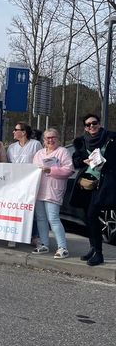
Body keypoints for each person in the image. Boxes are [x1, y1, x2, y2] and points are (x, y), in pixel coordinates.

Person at [70, 113, 116, 266]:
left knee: (92, 214)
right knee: (88, 218)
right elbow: (75, 160)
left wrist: (107, 164)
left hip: (104, 183)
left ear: (99, 123)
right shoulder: (82, 142)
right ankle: (93, 248)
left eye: (94, 123)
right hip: (86, 183)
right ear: (85, 128)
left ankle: (99, 253)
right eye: (88, 125)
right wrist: (83, 160)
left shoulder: (111, 138)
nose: (92, 126)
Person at [31, 128, 74, 259]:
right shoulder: (39, 153)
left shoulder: (63, 152)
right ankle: (44, 244)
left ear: (58, 138)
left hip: (53, 190)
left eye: (53, 137)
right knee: (41, 219)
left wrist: (50, 169)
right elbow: (33, 170)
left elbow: (69, 170)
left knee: (53, 219)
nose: (50, 140)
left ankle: (62, 247)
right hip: (39, 190)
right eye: (48, 138)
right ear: (44, 140)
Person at [6, 122, 43, 248]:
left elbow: (39, 162)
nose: (13, 132)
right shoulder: (11, 147)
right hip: (15, 184)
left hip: (31, 183)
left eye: (15, 130)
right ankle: (14, 235)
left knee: (31, 210)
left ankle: (34, 236)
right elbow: (9, 165)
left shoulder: (35, 144)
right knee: (15, 209)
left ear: (23, 132)